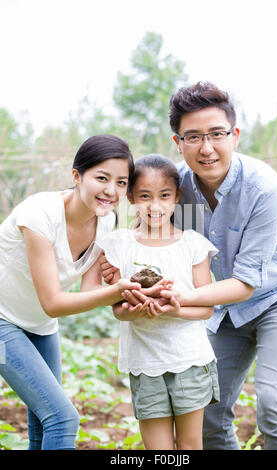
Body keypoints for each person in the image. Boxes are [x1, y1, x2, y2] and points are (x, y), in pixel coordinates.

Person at [101, 82, 277, 450]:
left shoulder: (263, 188)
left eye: (217, 134)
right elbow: (151, 230)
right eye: (193, 137)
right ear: (178, 143)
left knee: (273, 403)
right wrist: (117, 267)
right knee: (208, 408)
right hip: (219, 305)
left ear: (235, 136)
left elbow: (246, 282)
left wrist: (185, 295)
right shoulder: (176, 186)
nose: (206, 148)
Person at [0, 134, 143, 450]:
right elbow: (53, 302)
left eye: (122, 182)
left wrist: (124, 289)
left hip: (39, 326)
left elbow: (90, 291)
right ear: (77, 176)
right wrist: (115, 292)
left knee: (43, 420)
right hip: (2, 322)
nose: (111, 190)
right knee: (62, 419)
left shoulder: (106, 223)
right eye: (102, 178)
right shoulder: (40, 214)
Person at [97, 154, 220, 450]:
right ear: (130, 198)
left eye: (164, 196)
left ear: (177, 196)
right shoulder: (119, 244)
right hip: (144, 363)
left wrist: (175, 307)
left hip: (189, 359)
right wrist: (134, 309)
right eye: (144, 196)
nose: (154, 206)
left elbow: (206, 307)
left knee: (190, 446)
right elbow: (117, 310)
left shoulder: (193, 244)